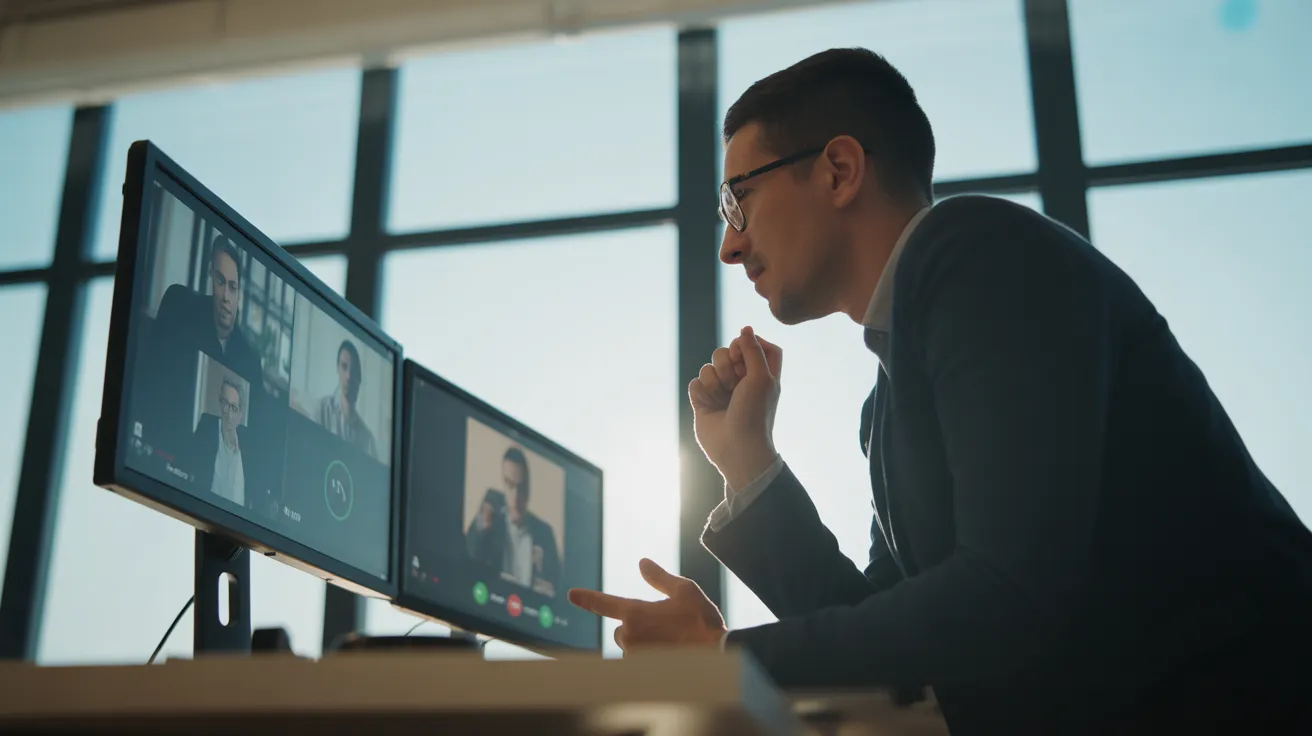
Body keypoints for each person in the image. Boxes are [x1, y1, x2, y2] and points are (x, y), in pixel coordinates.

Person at [567, 48, 1312, 733]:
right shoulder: (888, 399)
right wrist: (749, 466)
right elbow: (888, 629)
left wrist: (729, 653)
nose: (729, 245)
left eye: (739, 201)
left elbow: (1004, 595)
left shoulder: (979, 255)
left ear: (838, 170)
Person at [142, 235, 265, 446]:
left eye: (233, 287)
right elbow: (152, 385)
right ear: (210, 279)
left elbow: (256, 438)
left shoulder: (251, 361)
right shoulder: (179, 306)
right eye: (220, 282)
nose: (226, 296)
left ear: (239, 294)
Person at [466, 447, 561, 595]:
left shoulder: (545, 534)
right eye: (510, 485)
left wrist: (550, 593)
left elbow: (560, 591)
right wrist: (481, 528)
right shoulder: (489, 521)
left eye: (521, 487)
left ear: (528, 489)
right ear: (503, 485)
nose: (515, 497)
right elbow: (467, 558)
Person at [190, 377, 251, 508]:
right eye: (225, 403)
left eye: (234, 407)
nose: (228, 413)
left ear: (240, 415)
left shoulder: (248, 445)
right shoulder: (207, 428)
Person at [319, 339, 379, 460]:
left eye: (353, 371)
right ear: (337, 369)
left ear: (359, 379)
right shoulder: (322, 410)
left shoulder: (367, 441)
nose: (348, 376)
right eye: (344, 367)